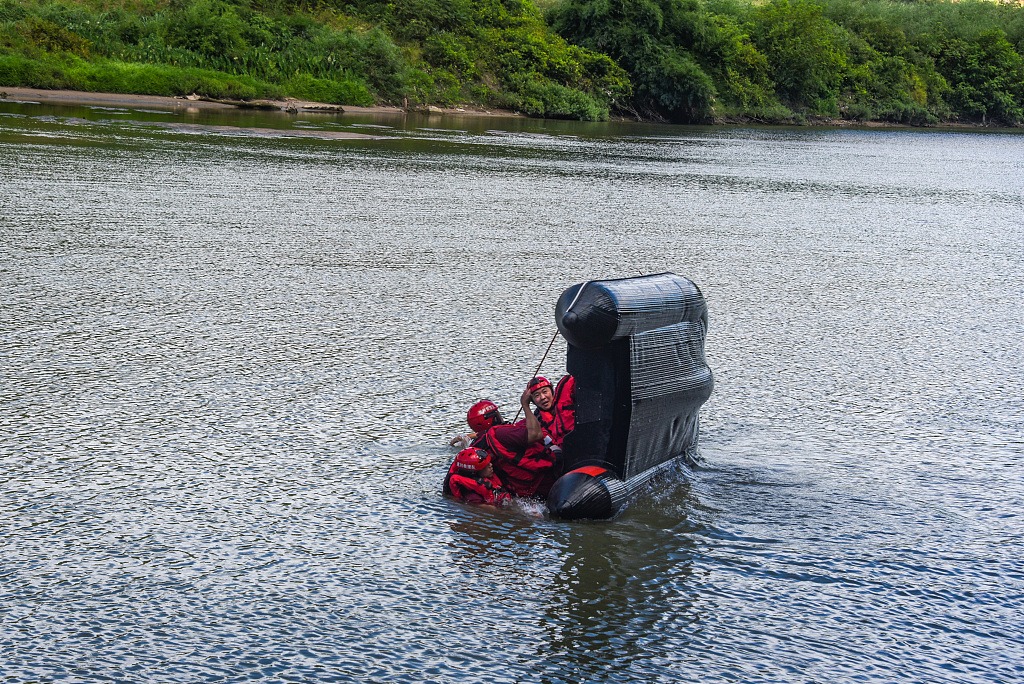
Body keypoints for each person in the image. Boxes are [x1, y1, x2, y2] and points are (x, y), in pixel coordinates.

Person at [443, 447, 513, 506]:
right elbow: (493, 510)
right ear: (475, 472)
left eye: (489, 463)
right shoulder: (473, 496)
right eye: (486, 466)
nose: (491, 465)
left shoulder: (485, 478)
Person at [526, 375, 576, 447]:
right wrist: (525, 405)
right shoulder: (537, 422)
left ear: (552, 391)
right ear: (533, 401)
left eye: (545, 392)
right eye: (537, 395)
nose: (543, 397)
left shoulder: (570, 401)